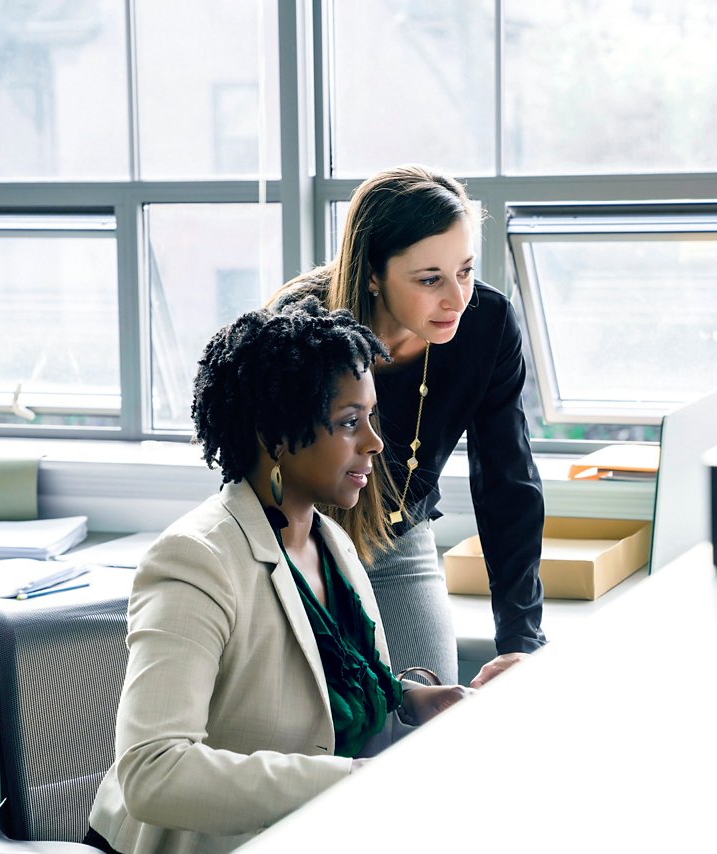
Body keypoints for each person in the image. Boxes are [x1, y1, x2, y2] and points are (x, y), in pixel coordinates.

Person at [86, 298, 470, 854]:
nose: (374, 443)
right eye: (348, 423)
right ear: (276, 438)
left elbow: (319, 688)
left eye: (371, 417)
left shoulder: (330, 542)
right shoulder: (195, 561)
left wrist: (409, 702)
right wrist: (351, 785)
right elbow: (153, 772)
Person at [272, 164, 546, 689]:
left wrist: (522, 640)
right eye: (429, 280)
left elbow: (507, 484)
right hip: (297, 544)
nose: (456, 299)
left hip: (398, 539)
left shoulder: (487, 326)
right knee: (328, 720)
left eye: (465, 271)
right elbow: (266, 481)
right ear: (373, 273)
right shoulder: (303, 326)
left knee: (430, 712)